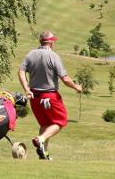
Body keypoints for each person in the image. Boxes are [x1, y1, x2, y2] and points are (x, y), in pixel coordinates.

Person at [18, 31, 82, 160]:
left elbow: (21, 72)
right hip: (50, 96)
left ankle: (44, 153)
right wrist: (76, 87)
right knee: (60, 121)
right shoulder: (54, 56)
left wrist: (27, 89)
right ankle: (40, 139)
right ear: (51, 42)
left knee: (45, 124)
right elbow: (65, 79)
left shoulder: (31, 54)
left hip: (35, 98)